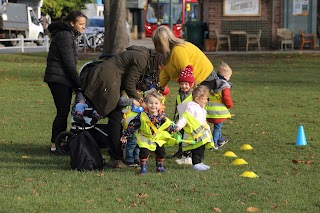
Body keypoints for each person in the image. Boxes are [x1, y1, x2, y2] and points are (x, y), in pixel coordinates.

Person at [82, 46, 165, 168]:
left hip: (107, 75)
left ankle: (117, 156)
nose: (159, 70)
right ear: (158, 62)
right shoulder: (142, 60)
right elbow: (129, 83)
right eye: (160, 68)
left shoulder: (145, 55)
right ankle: (116, 158)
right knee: (115, 117)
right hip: (107, 79)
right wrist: (138, 99)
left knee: (115, 118)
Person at [44, 10, 87, 155]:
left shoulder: (67, 35)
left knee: (63, 111)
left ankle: (58, 143)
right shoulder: (65, 36)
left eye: (84, 25)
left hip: (61, 78)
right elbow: (69, 64)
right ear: (72, 23)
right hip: (59, 78)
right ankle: (55, 145)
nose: (83, 27)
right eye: (81, 24)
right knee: (62, 112)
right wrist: (78, 84)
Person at [120, 90, 177, 175]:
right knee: (144, 152)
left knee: (161, 151)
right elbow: (133, 125)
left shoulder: (162, 116)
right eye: (151, 103)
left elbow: (167, 125)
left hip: (157, 138)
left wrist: (173, 129)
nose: (153, 105)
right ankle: (143, 168)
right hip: (145, 137)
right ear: (146, 104)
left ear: (160, 105)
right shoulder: (142, 115)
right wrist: (125, 135)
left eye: (156, 103)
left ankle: (160, 167)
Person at [152, 25, 217, 89]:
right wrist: (157, 88)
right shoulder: (167, 55)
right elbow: (165, 73)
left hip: (204, 78)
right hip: (190, 82)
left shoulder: (178, 51)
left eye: (157, 44)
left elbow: (186, 74)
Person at [175, 85, 214, 171]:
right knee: (196, 148)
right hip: (194, 134)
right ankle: (196, 163)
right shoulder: (191, 107)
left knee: (201, 148)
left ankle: (199, 162)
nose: (206, 101)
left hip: (200, 132)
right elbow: (185, 117)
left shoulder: (200, 107)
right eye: (204, 99)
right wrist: (178, 126)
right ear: (196, 99)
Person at [170, 65, 196, 165]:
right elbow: (177, 108)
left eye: (186, 84)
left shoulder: (193, 95)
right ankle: (182, 153)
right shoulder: (179, 94)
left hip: (190, 122)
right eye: (182, 84)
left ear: (191, 84)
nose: (184, 86)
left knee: (189, 138)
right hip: (181, 120)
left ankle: (189, 156)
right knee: (181, 137)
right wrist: (174, 120)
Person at [206, 62, 233, 149]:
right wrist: (229, 105)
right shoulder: (224, 86)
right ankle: (214, 144)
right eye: (229, 77)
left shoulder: (211, 83)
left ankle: (220, 139)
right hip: (219, 112)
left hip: (208, 111)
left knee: (217, 127)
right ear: (225, 76)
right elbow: (226, 98)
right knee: (217, 128)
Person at [118, 91, 143, 167]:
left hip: (139, 125)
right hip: (130, 124)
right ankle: (129, 159)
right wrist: (132, 101)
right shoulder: (125, 95)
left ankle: (136, 157)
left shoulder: (141, 94)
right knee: (131, 143)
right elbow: (121, 102)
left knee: (138, 143)